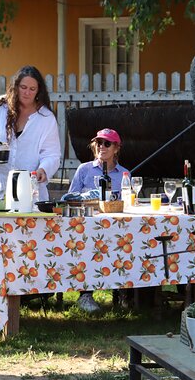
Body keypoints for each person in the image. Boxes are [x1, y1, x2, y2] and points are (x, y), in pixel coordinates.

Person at [0, 65, 60, 201]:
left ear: (38, 91)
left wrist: (44, 169)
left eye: (32, 89)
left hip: (28, 191)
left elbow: (52, 154)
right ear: (16, 86)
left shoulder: (46, 118)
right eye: (23, 87)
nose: (27, 93)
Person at [67, 128, 129, 313]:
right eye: (99, 143)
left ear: (116, 148)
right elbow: (69, 197)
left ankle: (124, 292)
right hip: (86, 226)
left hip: (115, 227)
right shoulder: (84, 169)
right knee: (89, 244)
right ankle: (85, 295)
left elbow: (128, 202)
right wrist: (88, 197)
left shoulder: (124, 174)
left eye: (107, 143)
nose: (102, 147)